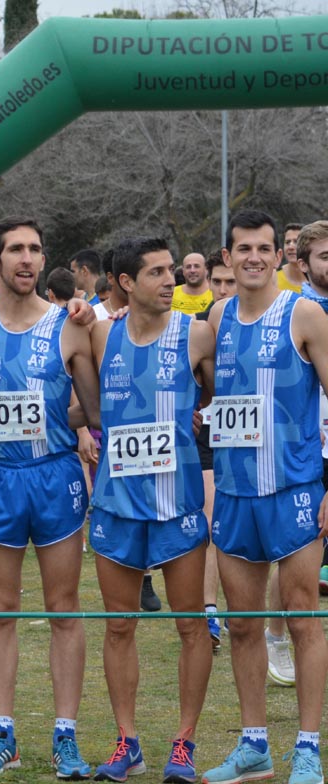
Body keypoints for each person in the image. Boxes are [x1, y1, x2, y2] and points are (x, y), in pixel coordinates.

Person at [0, 217, 101, 777]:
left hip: (53, 477)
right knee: (0, 612)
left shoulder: (69, 327)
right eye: (14, 250)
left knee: (64, 610)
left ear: (44, 260)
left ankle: (65, 736)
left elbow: (94, 408)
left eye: (35, 250)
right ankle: (3, 735)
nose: (26, 259)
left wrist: (51, 419)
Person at [201, 209, 328, 784]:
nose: (254, 256)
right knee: (245, 625)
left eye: (265, 248)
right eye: (243, 248)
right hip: (233, 493)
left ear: (281, 255)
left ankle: (307, 746)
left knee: (302, 619)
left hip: (294, 490)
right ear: (226, 258)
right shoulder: (218, 314)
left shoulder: (305, 314)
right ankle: (255, 747)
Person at [86, 237, 216, 783]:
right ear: (124, 283)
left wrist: (191, 415)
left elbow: (211, 396)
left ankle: (183, 743)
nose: (171, 280)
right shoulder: (97, 331)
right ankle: (126, 742)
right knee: (119, 626)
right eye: (157, 272)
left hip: (177, 503)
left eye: (172, 270)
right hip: (116, 504)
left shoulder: (197, 332)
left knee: (192, 626)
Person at [196, 252, 237, 651]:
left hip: (259, 444)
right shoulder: (202, 327)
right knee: (211, 527)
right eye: (218, 283)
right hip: (211, 437)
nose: (223, 290)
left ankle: (253, 615)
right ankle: (210, 610)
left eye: (230, 283)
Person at [292, 222, 328, 594]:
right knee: (302, 551)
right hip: (308, 449)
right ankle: (276, 638)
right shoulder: (291, 311)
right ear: (303, 264)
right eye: (325, 256)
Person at [277, 223, 305, 293]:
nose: (290, 247)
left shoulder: (317, 278)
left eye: (296, 242)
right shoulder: (273, 278)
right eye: (287, 242)